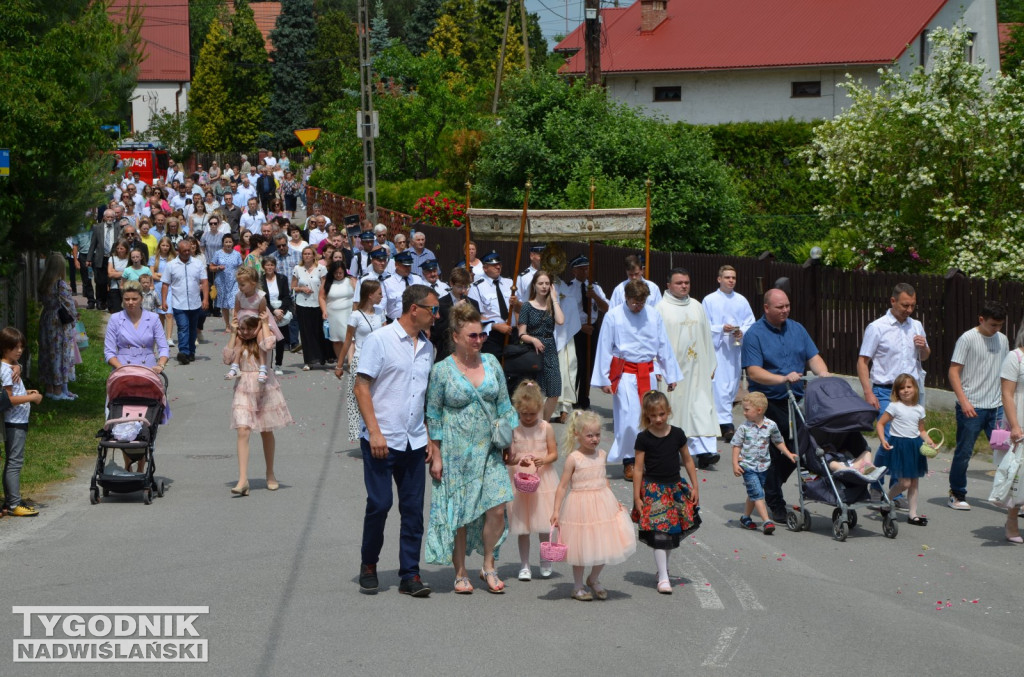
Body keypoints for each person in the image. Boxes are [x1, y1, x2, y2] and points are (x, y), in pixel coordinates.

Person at [425, 302, 517, 595]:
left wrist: (509, 439)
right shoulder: (441, 370)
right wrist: (436, 454)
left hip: (490, 451)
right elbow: (433, 414)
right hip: (456, 452)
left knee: (498, 508)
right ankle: (460, 571)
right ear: (455, 336)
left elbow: (504, 404)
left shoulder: (491, 363)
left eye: (481, 335)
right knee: (461, 515)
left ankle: (489, 565)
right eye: (472, 336)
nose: (479, 340)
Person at [355, 284, 439, 597]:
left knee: (413, 510)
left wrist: (428, 435)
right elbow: (361, 387)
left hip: (414, 442)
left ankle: (410, 574)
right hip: (382, 439)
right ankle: (369, 565)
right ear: (414, 309)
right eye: (432, 309)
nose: (436, 315)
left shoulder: (428, 348)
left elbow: (423, 396)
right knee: (379, 504)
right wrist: (374, 431)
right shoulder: (381, 340)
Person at [741, 288, 830, 522]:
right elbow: (754, 371)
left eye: (787, 306)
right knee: (783, 444)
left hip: (796, 398)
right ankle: (774, 498)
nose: (785, 310)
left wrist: (824, 374)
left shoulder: (797, 328)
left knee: (800, 444)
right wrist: (781, 378)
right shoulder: (755, 334)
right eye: (780, 307)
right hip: (767, 400)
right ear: (766, 308)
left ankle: (771, 484)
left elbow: (813, 357)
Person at [591, 280, 681, 481]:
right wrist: (604, 378)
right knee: (628, 418)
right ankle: (629, 461)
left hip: (647, 373)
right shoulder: (613, 315)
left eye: (642, 302)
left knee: (649, 417)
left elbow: (663, 345)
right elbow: (605, 346)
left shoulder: (653, 314)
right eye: (634, 302)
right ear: (626, 297)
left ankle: (646, 458)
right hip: (625, 374)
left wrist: (670, 374)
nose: (638, 306)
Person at [550, 410, 637, 601]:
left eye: (597, 435)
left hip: (602, 502)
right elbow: (562, 486)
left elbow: (603, 479)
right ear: (577, 435)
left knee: (606, 543)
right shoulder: (574, 458)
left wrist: (614, 502)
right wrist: (556, 511)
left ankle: (594, 578)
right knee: (580, 548)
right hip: (579, 506)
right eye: (589, 435)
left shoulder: (602, 454)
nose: (594, 439)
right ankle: (578, 586)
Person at [856, 283, 929, 506]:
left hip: (911, 392)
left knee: (907, 439)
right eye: (905, 305)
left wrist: (924, 346)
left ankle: (896, 491)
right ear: (893, 301)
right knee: (890, 440)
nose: (909, 310)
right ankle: (876, 484)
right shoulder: (877, 327)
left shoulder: (916, 325)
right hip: (886, 390)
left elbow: (924, 357)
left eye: (913, 306)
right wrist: (868, 392)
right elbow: (863, 361)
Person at [632, 390, 700, 593]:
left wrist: (695, 486)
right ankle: (663, 577)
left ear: (668, 411)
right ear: (647, 415)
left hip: (675, 488)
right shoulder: (643, 438)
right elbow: (637, 468)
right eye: (653, 415)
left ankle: (663, 570)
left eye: (661, 414)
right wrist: (637, 496)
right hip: (654, 490)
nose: (658, 419)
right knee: (660, 533)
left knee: (669, 534)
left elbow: (687, 460)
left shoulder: (677, 434)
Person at [947, 300, 1008, 510]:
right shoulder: (967, 338)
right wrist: (964, 401)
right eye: (993, 324)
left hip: (997, 407)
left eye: (1000, 325)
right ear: (981, 319)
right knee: (964, 452)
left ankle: (1008, 497)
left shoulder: (1003, 340)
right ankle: (957, 493)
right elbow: (953, 371)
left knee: (1008, 453)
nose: (996, 329)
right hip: (971, 406)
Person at [104, 279, 171, 469]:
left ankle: (141, 465)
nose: (130, 303)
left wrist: (160, 365)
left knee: (145, 416)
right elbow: (109, 351)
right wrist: (119, 367)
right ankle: (127, 463)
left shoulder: (153, 318)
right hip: (123, 371)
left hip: (147, 370)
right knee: (124, 416)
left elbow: (164, 347)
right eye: (127, 299)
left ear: (141, 299)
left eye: (134, 299)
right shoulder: (116, 319)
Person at [224, 314, 293, 496]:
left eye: (248, 329)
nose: (245, 332)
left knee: (265, 430)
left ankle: (270, 473)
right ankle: (242, 479)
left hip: (264, 386)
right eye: (242, 329)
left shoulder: (264, 334)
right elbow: (227, 359)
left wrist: (263, 324)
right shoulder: (239, 339)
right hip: (244, 388)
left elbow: (269, 345)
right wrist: (233, 334)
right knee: (242, 429)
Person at [658, 267, 720, 468]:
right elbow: (657, 341)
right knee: (677, 410)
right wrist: (659, 368)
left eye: (686, 282)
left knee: (701, 408)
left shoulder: (696, 305)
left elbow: (706, 336)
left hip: (698, 368)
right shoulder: (660, 308)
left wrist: (711, 362)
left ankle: (704, 451)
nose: (684, 286)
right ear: (668, 285)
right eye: (679, 283)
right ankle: (672, 449)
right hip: (674, 371)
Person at [505, 380, 559, 583]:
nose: (528, 418)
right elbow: (509, 457)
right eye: (524, 414)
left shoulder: (546, 428)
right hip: (521, 481)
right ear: (517, 410)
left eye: (532, 414)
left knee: (544, 524)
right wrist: (521, 459)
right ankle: (524, 565)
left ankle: (546, 560)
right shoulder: (514, 429)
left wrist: (542, 459)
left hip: (543, 480)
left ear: (539, 410)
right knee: (523, 526)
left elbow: (554, 453)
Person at [730, 392, 796, 535]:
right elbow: (736, 446)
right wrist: (735, 464)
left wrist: (788, 453)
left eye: (747, 410)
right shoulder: (743, 428)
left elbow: (778, 441)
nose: (744, 413)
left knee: (753, 493)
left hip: (764, 466)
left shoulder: (770, 425)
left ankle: (745, 518)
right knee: (758, 493)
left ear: (759, 410)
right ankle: (767, 521)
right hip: (748, 466)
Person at [702, 265, 755, 440]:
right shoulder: (709, 300)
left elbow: (750, 322)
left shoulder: (741, 300)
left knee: (732, 385)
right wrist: (720, 328)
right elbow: (703, 325)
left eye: (733, 277)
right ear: (719, 279)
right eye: (727, 277)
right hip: (717, 350)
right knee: (720, 386)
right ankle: (726, 425)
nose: (731, 280)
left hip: (734, 349)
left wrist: (742, 332)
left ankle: (721, 421)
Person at [876, 374, 934, 526]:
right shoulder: (894, 406)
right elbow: (880, 424)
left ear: (915, 389)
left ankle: (912, 514)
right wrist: (883, 440)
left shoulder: (919, 409)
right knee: (905, 483)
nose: (906, 390)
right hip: (899, 446)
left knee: (914, 482)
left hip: (914, 446)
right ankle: (887, 499)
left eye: (909, 387)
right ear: (896, 391)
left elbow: (921, 430)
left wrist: (929, 441)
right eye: (902, 388)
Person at [1, 328, 44, 516]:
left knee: (13, 461)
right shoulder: (5, 371)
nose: (19, 351)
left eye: (21, 347)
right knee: (14, 462)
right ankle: (13, 504)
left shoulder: (11, 366)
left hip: (18, 420)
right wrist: (31, 399)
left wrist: (26, 392)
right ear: (4, 348)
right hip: (14, 421)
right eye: (14, 347)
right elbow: (8, 399)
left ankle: (12, 499)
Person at [336, 279, 385, 441]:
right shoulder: (355, 316)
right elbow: (348, 340)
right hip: (360, 361)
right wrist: (339, 365)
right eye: (379, 293)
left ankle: (377, 432)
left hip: (379, 361)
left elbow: (386, 337)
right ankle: (362, 434)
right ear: (370, 295)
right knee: (359, 399)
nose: (382, 296)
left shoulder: (380, 313)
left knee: (378, 398)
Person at [517, 270, 565, 421]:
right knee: (535, 393)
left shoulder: (552, 305)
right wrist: (533, 340)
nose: (544, 287)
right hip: (534, 351)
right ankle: (534, 427)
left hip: (550, 349)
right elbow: (521, 333)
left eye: (547, 283)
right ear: (534, 285)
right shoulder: (527, 306)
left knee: (555, 392)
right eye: (540, 283)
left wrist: (555, 299)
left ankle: (543, 424)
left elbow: (561, 321)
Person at [37, 254, 82, 400]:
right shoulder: (60, 284)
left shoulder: (43, 283)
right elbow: (69, 304)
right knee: (59, 354)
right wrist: (75, 316)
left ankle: (49, 388)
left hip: (46, 318)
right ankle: (58, 390)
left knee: (47, 352)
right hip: (58, 322)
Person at [230, 266, 285, 383]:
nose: (240, 287)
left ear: (253, 283)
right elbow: (236, 311)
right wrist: (237, 326)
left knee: (262, 340)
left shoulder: (260, 297)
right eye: (239, 284)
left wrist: (257, 330)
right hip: (244, 321)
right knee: (238, 340)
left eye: (243, 284)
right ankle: (235, 366)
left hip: (258, 322)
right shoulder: (239, 295)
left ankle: (263, 367)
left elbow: (262, 315)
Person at [567, 256, 608, 410]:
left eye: (587, 268)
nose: (585, 271)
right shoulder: (569, 288)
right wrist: (581, 327)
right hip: (576, 330)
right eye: (581, 268)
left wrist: (594, 297)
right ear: (574, 270)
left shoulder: (595, 287)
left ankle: (584, 398)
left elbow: (606, 308)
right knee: (576, 365)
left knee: (589, 366)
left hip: (593, 329)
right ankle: (572, 398)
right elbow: (567, 313)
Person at [161, 237, 210, 364]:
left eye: (189, 250)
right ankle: (183, 352)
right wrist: (164, 301)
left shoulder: (197, 264)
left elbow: (204, 282)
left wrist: (205, 299)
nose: (187, 253)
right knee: (183, 327)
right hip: (178, 302)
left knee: (192, 329)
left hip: (195, 303)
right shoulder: (171, 265)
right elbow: (165, 284)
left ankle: (191, 351)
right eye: (184, 251)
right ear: (178, 251)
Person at [999, 326, 1024, 543]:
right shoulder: (1015, 357)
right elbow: (1007, 393)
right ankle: (1012, 521)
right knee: (1019, 477)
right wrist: (1015, 426)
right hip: (1021, 423)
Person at [468, 251, 514, 358]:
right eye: (494, 265)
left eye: (499, 264)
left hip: (511, 332)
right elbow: (475, 315)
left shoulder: (510, 283)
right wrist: (495, 326)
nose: (498, 267)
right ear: (485, 268)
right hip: (492, 335)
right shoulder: (476, 287)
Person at [292, 245, 329, 371]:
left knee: (318, 331)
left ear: (314, 255)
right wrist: (301, 289)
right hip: (302, 303)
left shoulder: (321, 269)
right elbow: (292, 287)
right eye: (305, 254)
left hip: (317, 303)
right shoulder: (298, 268)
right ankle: (308, 360)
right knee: (305, 333)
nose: (307, 256)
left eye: (309, 254)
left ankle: (321, 357)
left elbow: (324, 287)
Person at [431, 267, 479, 363]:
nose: (463, 291)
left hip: (468, 353)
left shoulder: (473, 303)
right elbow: (436, 332)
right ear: (451, 284)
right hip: (446, 353)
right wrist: (453, 311)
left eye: (466, 287)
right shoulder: (440, 303)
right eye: (459, 287)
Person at [319, 260, 356, 366]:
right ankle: (341, 360)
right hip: (333, 315)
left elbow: (358, 296)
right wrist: (324, 311)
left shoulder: (351, 280)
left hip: (349, 313)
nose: (338, 275)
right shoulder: (327, 282)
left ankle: (350, 361)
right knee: (336, 339)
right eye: (336, 273)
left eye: (341, 273)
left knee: (349, 338)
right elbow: (321, 297)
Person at [262, 256, 293, 376]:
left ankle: (278, 364)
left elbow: (286, 296)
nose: (269, 267)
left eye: (271, 265)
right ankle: (267, 365)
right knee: (268, 339)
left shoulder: (282, 278)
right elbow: (262, 298)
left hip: (280, 312)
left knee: (280, 340)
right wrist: (272, 311)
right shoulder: (260, 280)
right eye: (267, 265)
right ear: (264, 266)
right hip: (267, 311)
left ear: (275, 266)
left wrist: (281, 311)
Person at [89, 210, 122, 310]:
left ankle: (110, 302)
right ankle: (100, 301)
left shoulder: (117, 227)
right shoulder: (97, 228)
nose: (110, 219)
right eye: (108, 217)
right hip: (101, 258)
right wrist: (89, 258)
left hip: (113, 258)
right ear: (104, 217)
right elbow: (93, 244)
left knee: (111, 281)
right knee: (100, 281)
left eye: (112, 217)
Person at [210, 234, 242, 333]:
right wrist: (218, 267)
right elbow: (211, 267)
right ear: (223, 243)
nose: (228, 244)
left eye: (230, 242)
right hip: (222, 282)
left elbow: (241, 267)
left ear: (233, 243)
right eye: (226, 242)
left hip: (234, 282)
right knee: (224, 305)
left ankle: (234, 324)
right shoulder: (218, 253)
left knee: (233, 303)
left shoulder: (237, 254)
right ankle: (227, 325)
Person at [151, 237, 177, 346]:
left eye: (167, 245)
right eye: (163, 245)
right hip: (157, 288)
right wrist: (165, 276)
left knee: (169, 313)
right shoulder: (154, 258)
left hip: (170, 288)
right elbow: (152, 274)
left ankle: (169, 337)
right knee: (160, 314)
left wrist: (160, 275)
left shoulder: (173, 259)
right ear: (159, 246)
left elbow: (174, 275)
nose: (165, 248)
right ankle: (161, 336)